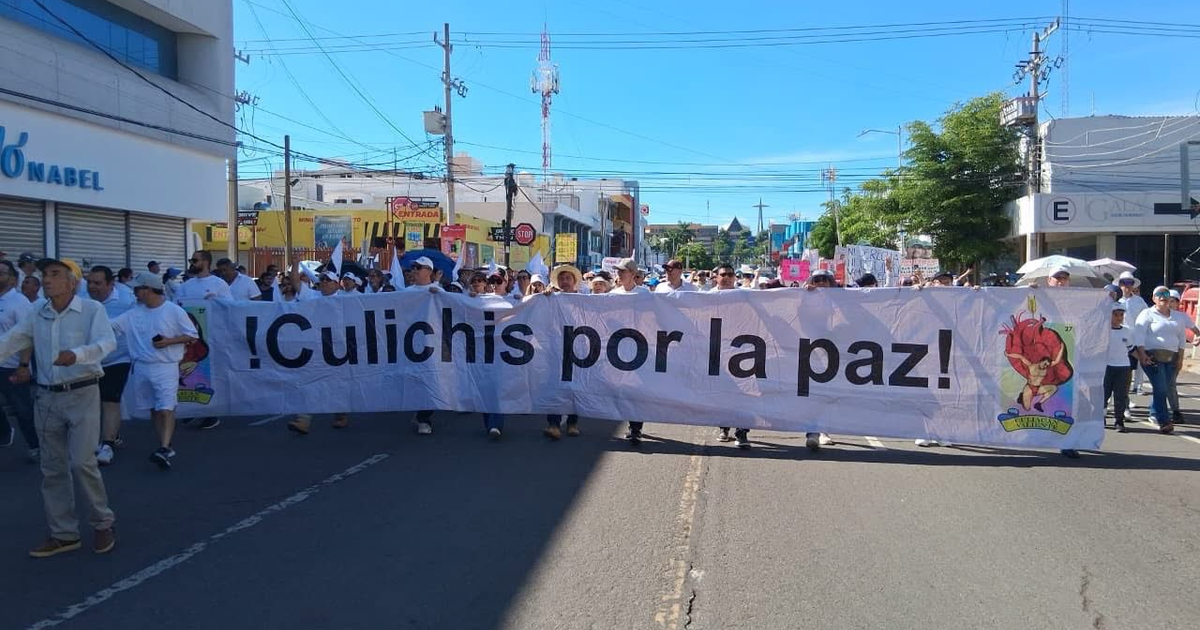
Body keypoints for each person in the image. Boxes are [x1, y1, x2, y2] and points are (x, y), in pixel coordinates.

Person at [0, 257, 117, 557]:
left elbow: (107, 343)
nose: (47, 279)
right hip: (46, 397)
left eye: (55, 274)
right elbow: (12, 340)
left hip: (82, 393)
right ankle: (64, 534)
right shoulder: (38, 311)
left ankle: (102, 522)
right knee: (52, 468)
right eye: (45, 274)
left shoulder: (92, 309)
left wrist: (77, 355)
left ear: (72, 282)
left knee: (82, 463)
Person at [111, 274, 198, 469]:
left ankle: (164, 448)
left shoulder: (173, 311)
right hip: (141, 366)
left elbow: (192, 335)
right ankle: (164, 445)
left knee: (166, 407)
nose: (134, 293)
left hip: (165, 366)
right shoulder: (133, 313)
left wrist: (169, 341)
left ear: (148, 289)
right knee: (154, 408)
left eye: (137, 289)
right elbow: (112, 326)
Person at [173, 251, 231, 431]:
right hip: (189, 338)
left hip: (212, 336)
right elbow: (175, 307)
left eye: (195, 260)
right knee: (188, 374)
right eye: (191, 260)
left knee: (210, 375)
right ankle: (192, 409)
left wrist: (216, 301)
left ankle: (211, 413)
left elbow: (231, 307)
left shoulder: (219, 284)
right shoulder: (185, 286)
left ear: (205, 262)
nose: (191, 263)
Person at [86, 266, 136, 466]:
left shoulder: (126, 301)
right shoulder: (82, 301)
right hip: (89, 360)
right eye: (89, 282)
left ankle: (107, 445)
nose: (92, 286)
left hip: (118, 359)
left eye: (97, 283)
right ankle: (111, 434)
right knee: (93, 402)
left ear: (110, 284)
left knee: (110, 399)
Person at [1133, 286, 1186, 434]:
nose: (1163, 296)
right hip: (1152, 357)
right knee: (1161, 387)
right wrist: (1142, 354)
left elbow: (1182, 338)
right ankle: (1164, 421)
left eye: (1166, 293)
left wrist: (1180, 359)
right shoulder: (1147, 314)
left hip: (1171, 357)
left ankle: (1154, 412)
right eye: (1159, 294)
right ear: (1154, 298)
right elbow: (1139, 335)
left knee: (1164, 387)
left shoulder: (1177, 317)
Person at [0, 259, 38, 461]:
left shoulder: (19, 302)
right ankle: (5, 432)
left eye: (1, 272)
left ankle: (36, 445)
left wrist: (24, 365)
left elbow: (27, 336)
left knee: (22, 409)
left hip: (12, 366)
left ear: (13, 279)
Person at [711, 264, 752, 449]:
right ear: (716, 277)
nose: (726, 277)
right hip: (716, 352)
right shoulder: (705, 297)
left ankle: (742, 432)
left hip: (741, 352)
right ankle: (724, 427)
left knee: (744, 394)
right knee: (723, 393)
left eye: (730, 274)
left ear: (735, 277)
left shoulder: (745, 296)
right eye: (723, 274)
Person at [543, 264, 584, 440]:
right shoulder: (551, 298)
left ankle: (572, 423)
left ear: (574, 281)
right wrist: (544, 297)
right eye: (561, 278)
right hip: (555, 349)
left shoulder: (584, 300)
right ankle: (553, 424)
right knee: (554, 386)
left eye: (568, 278)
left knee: (575, 387)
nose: (564, 281)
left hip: (578, 349)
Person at [403, 257, 441, 435]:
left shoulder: (439, 292)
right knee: (415, 380)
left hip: (433, 345)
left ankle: (424, 418)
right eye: (413, 267)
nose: (415, 270)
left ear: (429, 271)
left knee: (432, 380)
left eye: (419, 267)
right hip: (410, 344)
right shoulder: (405, 293)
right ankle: (420, 413)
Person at [1166, 289, 1200, 424]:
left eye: (1172, 301)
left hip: (1175, 355)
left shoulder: (1182, 317)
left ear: (1178, 303)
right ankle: (1157, 410)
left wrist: (1197, 338)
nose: (1169, 304)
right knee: (1160, 384)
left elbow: (1197, 331)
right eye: (1167, 300)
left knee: (1170, 384)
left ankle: (1175, 411)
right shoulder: (1155, 314)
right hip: (1157, 354)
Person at [1117, 272, 1149, 408]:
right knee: (1123, 371)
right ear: (1120, 285)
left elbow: (1147, 316)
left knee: (1137, 366)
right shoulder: (1116, 301)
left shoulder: (1139, 301)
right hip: (1120, 340)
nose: (1127, 286)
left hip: (1136, 339)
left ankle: (1136, 388)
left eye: (1130, 283)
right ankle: (1120, 401)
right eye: (1124, 283)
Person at [1104, 302, 1134, 433]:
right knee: (1104, 394)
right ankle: (1101, 417)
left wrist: (1143, 358)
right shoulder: (1103, 331)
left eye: (1121, 315)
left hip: (1123, 367)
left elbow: (1131, 349)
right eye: (1115, 315)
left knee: (1120, 395)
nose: (1119, 317)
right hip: (1106, 367)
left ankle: (1119, 421)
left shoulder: (1126, 331)